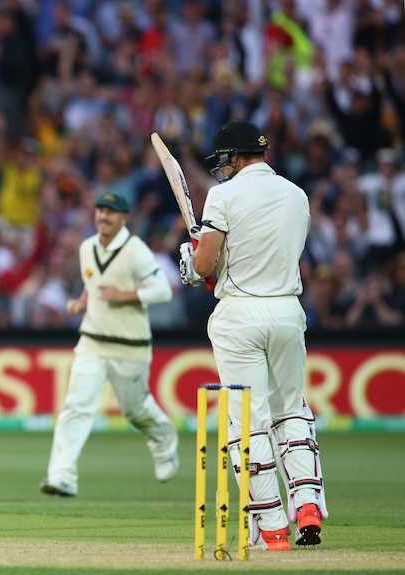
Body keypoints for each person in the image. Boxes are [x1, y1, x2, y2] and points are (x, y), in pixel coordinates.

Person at [180, 119, 328, 551]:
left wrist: (192, 263)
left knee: (248, 424)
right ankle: (307, 505)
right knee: (292, 412)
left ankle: (272, 527)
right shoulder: (297, 195)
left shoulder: (223, 195)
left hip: (240, 315)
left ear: (234, 157)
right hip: (288, 310)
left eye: (223, 160)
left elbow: (206, 267)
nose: (221, 169)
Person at [40, 191, 179, 498]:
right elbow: (95, 284)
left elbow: (162, 291)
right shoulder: (87, 247)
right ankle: (62, 475)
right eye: (100, 211)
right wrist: (81, 302)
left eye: (110, 212)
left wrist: (123, 296)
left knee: (135, 411)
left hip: (130, 344)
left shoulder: (137, 251)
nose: (103, 217)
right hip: (92, 341)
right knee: (76, 406)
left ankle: (165, 442)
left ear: (124, 218)